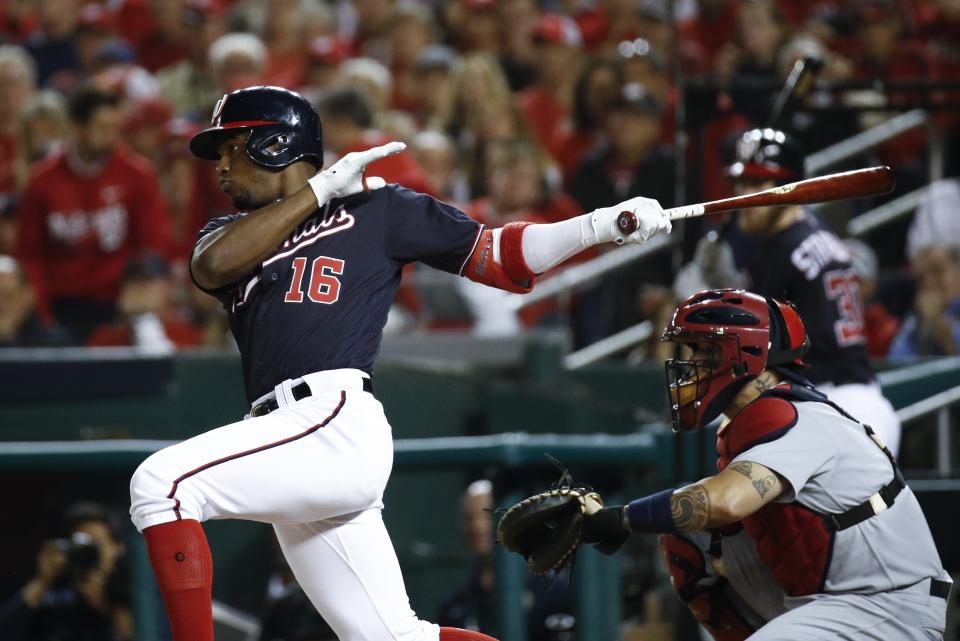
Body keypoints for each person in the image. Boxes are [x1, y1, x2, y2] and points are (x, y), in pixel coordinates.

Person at [127, 85, 671, 641]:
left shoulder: (379, 210)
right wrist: (317, 190)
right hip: (282, 432)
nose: (219, 165)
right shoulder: (226, 233)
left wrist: (601, 225)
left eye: (231, 146)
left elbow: (501, 257)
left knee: (161, 483)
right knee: (393, 636)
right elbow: (213, 266)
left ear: (274, 145)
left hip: (328, 419)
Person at [560, 289, 950, 640]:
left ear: (744, 354)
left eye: (702, 351)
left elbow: (726, 500)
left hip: (889, 604)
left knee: (704, 515)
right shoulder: (754, 421)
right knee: (688, 539)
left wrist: (619, 519)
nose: (689, 365)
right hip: (832, 598)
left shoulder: (800, 418)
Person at [678, 127, 902, 455]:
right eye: (740, 184)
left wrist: (707, 296)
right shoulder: (806, 237)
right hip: (847, 400)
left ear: (789, 188)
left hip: (830, 403)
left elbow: (753, 352)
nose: (744, 196)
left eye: (757, 184)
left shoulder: (785, 250)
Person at [14, 85, 172, 343]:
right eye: (102, 128)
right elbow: (30, 255)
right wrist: (43, 313)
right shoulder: (42, 180)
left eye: (115, 128)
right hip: (60, 303)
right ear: (77, 127)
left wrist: (136, 299)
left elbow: (152, 247)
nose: (112, 137)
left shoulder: (137, 175)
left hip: (119, 303)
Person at [438, 480, 575, 640]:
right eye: (469, 518)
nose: (477, 527)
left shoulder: (553, 592)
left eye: (486, 516)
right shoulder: (456, 604)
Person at [0, 501, 131, 641]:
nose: (88, 553)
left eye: (96, 545)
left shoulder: (136, 594)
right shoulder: (58, 602)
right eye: (82, 546)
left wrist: (105, 606)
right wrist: (41, 582)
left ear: (117, 548)